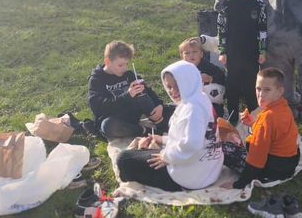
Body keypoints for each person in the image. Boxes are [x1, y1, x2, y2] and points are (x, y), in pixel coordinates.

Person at [116, 60, 223, 191]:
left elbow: (192, 144)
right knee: (135, 155)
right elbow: (195, 138)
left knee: (123, 159)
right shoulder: (200, 98)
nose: (174, 91)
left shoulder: (192, 109)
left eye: (179, 85)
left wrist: (166, 156)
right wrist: (163, 140)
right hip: (208, 170)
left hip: (189, 177)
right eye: (170, 87)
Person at [221, 67, 300, 190]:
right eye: (258, 89)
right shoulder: (283, 107)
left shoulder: (267, 118)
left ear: (280, 91)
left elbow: (256, 158)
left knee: (223, 148)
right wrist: (254, 123)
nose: (261, 94)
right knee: (247, 142)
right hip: (289, 163)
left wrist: (239, 184)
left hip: (271, 171)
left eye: (267, 90)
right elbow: (273, 133)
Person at [214, 0, 268, 125]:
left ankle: (253, 114)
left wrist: (263, 51)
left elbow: (262, 29)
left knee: (251, 84)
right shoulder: (227, 4)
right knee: (233, 85)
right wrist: (222, 51)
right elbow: (221, 29)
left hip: (251, 52)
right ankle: (232, 114)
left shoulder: (259, 4)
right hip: (232, 52)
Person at [88, 40, 172, 139]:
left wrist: (159, 104)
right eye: (120, 65)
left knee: (175, 110)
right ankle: (145, 131)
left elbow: (147, 90)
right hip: (115, 118)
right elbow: (98, 108)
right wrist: (127, 95)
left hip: (134, 114)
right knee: (108, 126)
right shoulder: (97, 80)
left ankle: (160, 123)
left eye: (127, 64)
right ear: (107, 62)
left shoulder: (128, 74)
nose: (125, 68)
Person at [179, 36, 226, 119]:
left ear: (201, 54)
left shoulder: (207, 66)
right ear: (182, 56)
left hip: (211, 103)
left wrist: (210, 78)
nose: (191, 55)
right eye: (187, 53)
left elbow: (222, 77)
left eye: (194, 52)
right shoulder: (181, 69)